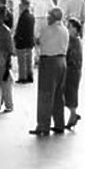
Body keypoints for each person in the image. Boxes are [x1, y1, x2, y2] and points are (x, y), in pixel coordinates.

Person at [31, 7, 69, 136]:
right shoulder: (65, 30)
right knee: (59, 94)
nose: (47, 19)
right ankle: (59, 124)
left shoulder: (48, 30)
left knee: (45, 95)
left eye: (49, 17)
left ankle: (43, 125)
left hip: (49, 63)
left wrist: (35, 39)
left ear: (53, 18)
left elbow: (38, 41)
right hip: (62, 62)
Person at [64, 18, 83, 130]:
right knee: (69, 93)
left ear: (75, 29)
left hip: (72, 70)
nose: (67, 28)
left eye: (69, 27)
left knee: (70, 93)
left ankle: (73, 114)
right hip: (72, 70)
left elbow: (72, 57)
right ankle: (72, 115)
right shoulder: (72, 40)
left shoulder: (74, 41)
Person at [13, 0, 35, 84]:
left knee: (22, 61)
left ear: (25, 5)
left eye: (21, 4)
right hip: (29, 41)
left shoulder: (23, 16)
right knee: (28, 60)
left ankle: (23, 77)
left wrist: (16, 38)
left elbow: (20, 29)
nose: (19, 6)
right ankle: (29, 76)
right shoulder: (31, 16)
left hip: (22, 41)